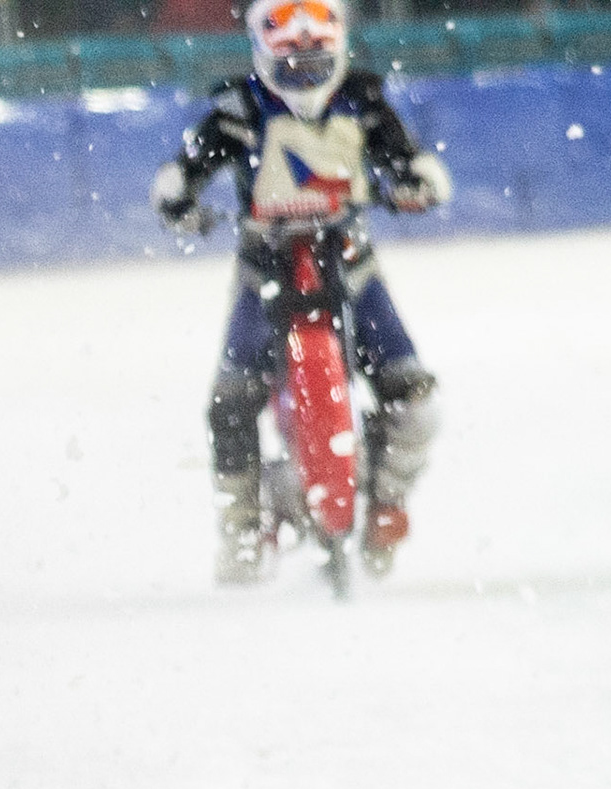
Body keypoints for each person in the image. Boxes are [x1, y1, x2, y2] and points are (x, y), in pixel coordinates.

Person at [151, 0, 450, 582]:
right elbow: (187, 167)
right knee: (231, 403)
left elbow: (405, 158)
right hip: (266, 268)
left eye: (315, 63)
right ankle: (241, 527)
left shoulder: (362, 102)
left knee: (415, 396)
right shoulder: (237, 109)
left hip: (350, 263)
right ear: (263, 54)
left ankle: (386, 500)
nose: (304, 78)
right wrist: (179, 191)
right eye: (290, 64)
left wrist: (415, 177)